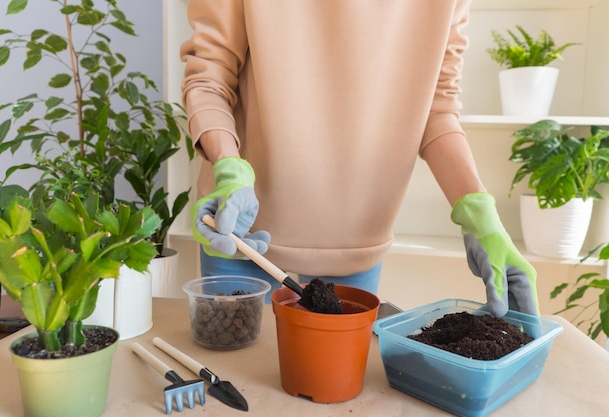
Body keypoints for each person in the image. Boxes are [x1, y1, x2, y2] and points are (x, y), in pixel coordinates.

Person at [180, 0, 539, 317]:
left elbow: (436, 108)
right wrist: (228, 167)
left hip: (357, 237)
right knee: (235, 377)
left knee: (336, 384)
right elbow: (210, 78)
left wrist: (479, 211)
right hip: (241, 228)